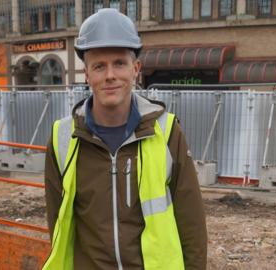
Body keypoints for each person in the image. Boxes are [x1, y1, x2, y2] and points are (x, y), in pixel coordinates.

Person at [43, 8, 207, 270]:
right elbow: (58, 227)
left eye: (119, 63)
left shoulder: (165, 132)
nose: (110, 75)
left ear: (136, 69)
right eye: (99, 66)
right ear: (87, 74)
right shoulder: (63, 139)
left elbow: (192, 225)